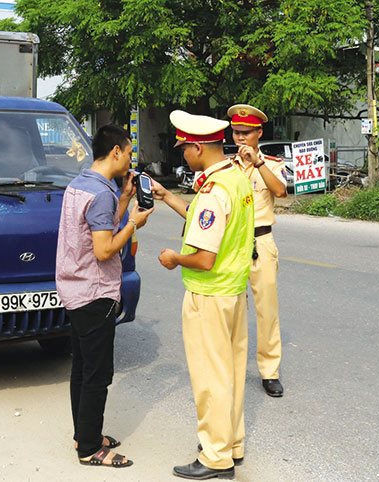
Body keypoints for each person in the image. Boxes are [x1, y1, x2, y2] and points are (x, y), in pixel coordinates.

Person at [153, 110, 254, 479]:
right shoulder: (234, 179)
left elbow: (204, 257)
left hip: (208, 295)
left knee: (210, 378)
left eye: (184, 149)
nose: (183, 155)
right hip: (234, 293)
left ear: (197, 148)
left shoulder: (213, 192)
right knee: (231, 373)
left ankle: (214, 457)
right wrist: (166, 197)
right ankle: (232, 444)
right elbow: (202, 216)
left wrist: (174, 257)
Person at [55, 124, 153, 468]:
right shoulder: (100, 194)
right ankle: (90, 450)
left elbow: (96, 227)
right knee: (98, 373)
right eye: (128, 153)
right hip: (94, 292)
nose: (130, 160)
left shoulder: (80, 184)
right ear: (115, 152)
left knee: (81, 367)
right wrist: (133, 224)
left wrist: (125, 199)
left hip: (73, 288)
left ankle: (85, 435)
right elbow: (104, 249)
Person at [227, 103, 287, 397]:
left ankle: (269, 371)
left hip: (261, 242)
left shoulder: (272, 164)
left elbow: (281, 192)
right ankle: (233, 368)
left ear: (258, 133)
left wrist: (259, 164)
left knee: (267, 311)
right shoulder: (226, 166)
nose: (240, 138)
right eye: (236, 132)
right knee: (233, 309)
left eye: (246, 133)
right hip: (233, 244)